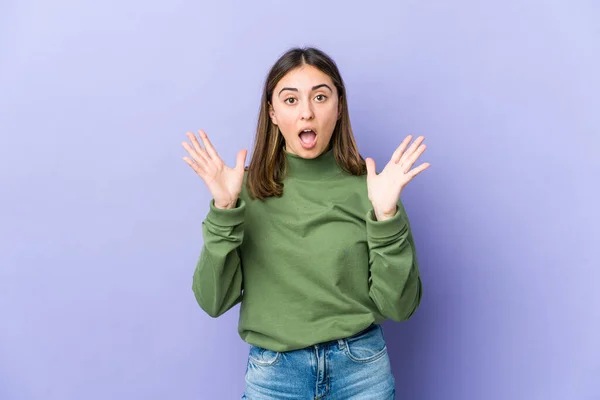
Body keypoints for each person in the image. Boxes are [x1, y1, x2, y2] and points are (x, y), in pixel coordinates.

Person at [181, 46, 430, 399]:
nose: (307, 113)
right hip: (275, 377)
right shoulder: (244, 192)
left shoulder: (374, 188)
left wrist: (387, 216)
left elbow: (400, 308)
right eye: (291, 99)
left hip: (361, 372)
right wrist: (224, 209)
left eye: (320, 96)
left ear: (339, 106)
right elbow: (213, 301)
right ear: (272, 112)